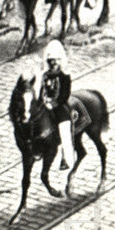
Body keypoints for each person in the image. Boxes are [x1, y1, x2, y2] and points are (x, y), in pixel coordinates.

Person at [38, 40, 75, 171]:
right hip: (46, 104)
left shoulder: (64, 76)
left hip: (59, 107)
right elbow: (42, 89)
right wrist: (43, 100)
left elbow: (65, 94)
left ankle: (66, 157)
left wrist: (54, 103)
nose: (53, 63)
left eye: (55, 60)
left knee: (64, 129)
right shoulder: (45, 75)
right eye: (51, 60)